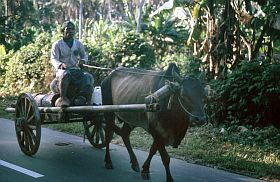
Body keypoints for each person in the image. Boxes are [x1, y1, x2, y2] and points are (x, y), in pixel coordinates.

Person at [50, 21, 93, 107]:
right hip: (62, 71)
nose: (70, 31)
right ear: (63, 31)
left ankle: (86, 99)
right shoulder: (57, 44)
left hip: (76, 70)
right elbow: (53, 59)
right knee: (66, 75)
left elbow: (84, 56)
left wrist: (83, 61)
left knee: (88, 76)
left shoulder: (78, 44)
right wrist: (60, 65)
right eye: (68, 29)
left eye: (72, 29)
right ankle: (63, 98)